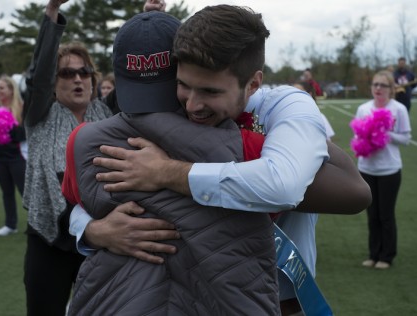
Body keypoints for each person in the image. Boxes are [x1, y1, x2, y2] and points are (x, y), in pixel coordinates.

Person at [67, 4, 371, 315]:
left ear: (252, 84)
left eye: (210, 91)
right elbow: (78, 202)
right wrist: (92, 229)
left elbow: (308, 187)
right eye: (182, 86)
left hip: (280, 296)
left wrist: (168, 173)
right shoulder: (131, 131)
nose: (192, 105)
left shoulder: (280, 112)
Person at [22, 0, 112, 314]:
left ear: (92, 77)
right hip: (49, 239)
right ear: (54, 81)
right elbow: (39, 76)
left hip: (101, 235)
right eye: (67, 72)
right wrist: (52, 13)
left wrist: (149, 18)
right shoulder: (40, 113)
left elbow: (137, 74)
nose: (77, 78)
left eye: (84, 71)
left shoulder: (109, 114)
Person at [354, 70, 411, 270]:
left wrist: (385, 134)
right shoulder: (363, 109)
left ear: (391, 89)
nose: (378, 88)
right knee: (372, 215)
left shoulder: (399, 109)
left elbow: (405, 138)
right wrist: (359, 144)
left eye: (383, 85)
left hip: (389, 170)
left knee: (386, 214)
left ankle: (386, 256)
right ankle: (373, 254)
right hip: (366, 168)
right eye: (375, 84)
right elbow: (356, 137)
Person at [0, 75, 26, 236]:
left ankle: (36, 225)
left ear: (11, 89)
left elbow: (23, 134)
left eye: (2, 88)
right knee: (6, 192)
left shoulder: (20, 107)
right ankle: (10, 224)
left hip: (17, 157)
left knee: (25, 193)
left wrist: (7, 126)